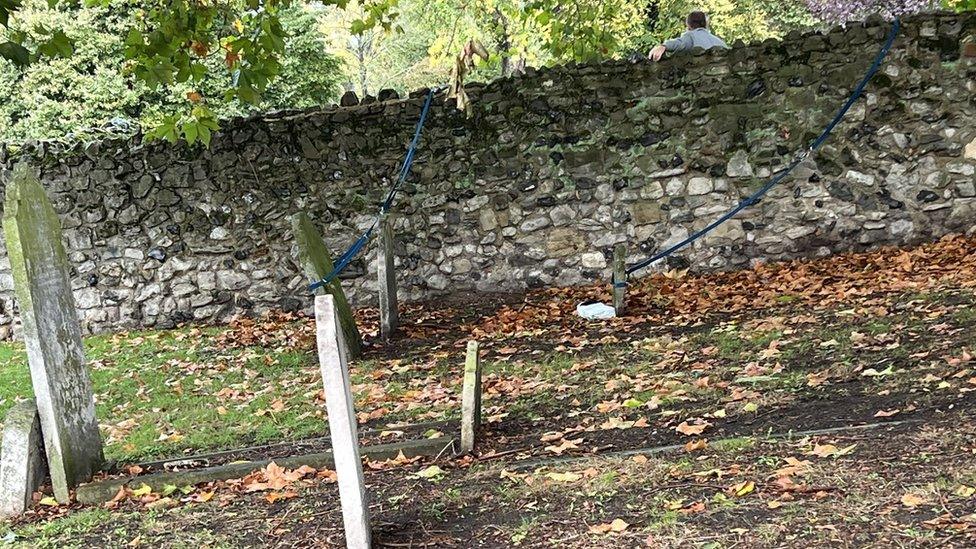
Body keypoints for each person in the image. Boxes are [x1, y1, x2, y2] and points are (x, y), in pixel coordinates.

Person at [649, 11, 729, 62]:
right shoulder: (720, 42)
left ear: (688, 25)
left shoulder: (691, 36)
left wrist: (663, 46)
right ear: (706, 24)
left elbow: (680, 43)